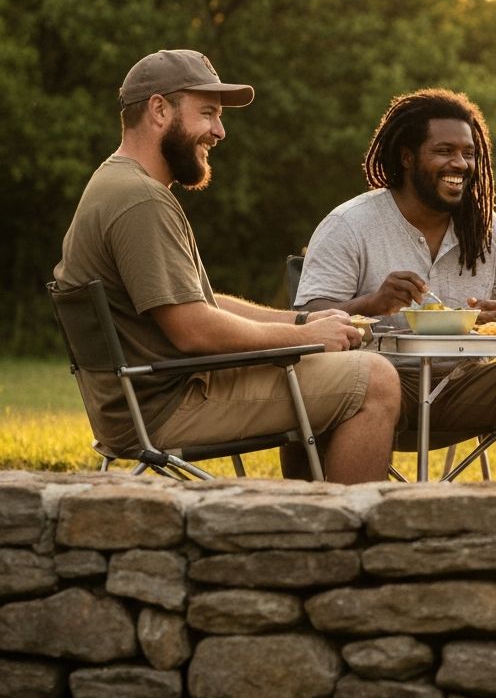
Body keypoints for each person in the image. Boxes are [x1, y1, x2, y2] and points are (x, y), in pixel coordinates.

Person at [53, 48, 399, 483]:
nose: (219, 131)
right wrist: (303, 338)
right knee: (375, 379)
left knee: (325, 368)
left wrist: (301, 319)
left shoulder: (118, 184)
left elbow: (203, 306)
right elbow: (194, 329)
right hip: (169, 405)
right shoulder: (140, 200)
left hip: (148, 397)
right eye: (208, 113)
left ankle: (312, 525)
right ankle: (352, 539)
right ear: (159, 109)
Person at [295, 88, 496, 481]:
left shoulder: (490, 230)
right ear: (407, 157)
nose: (461, 163)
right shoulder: (350, 224)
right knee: (311, 392)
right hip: (376, 383)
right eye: (444, 151)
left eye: (469, 153)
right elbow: (304, 323)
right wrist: (372, 302)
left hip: (463, 382)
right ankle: (355, 521)